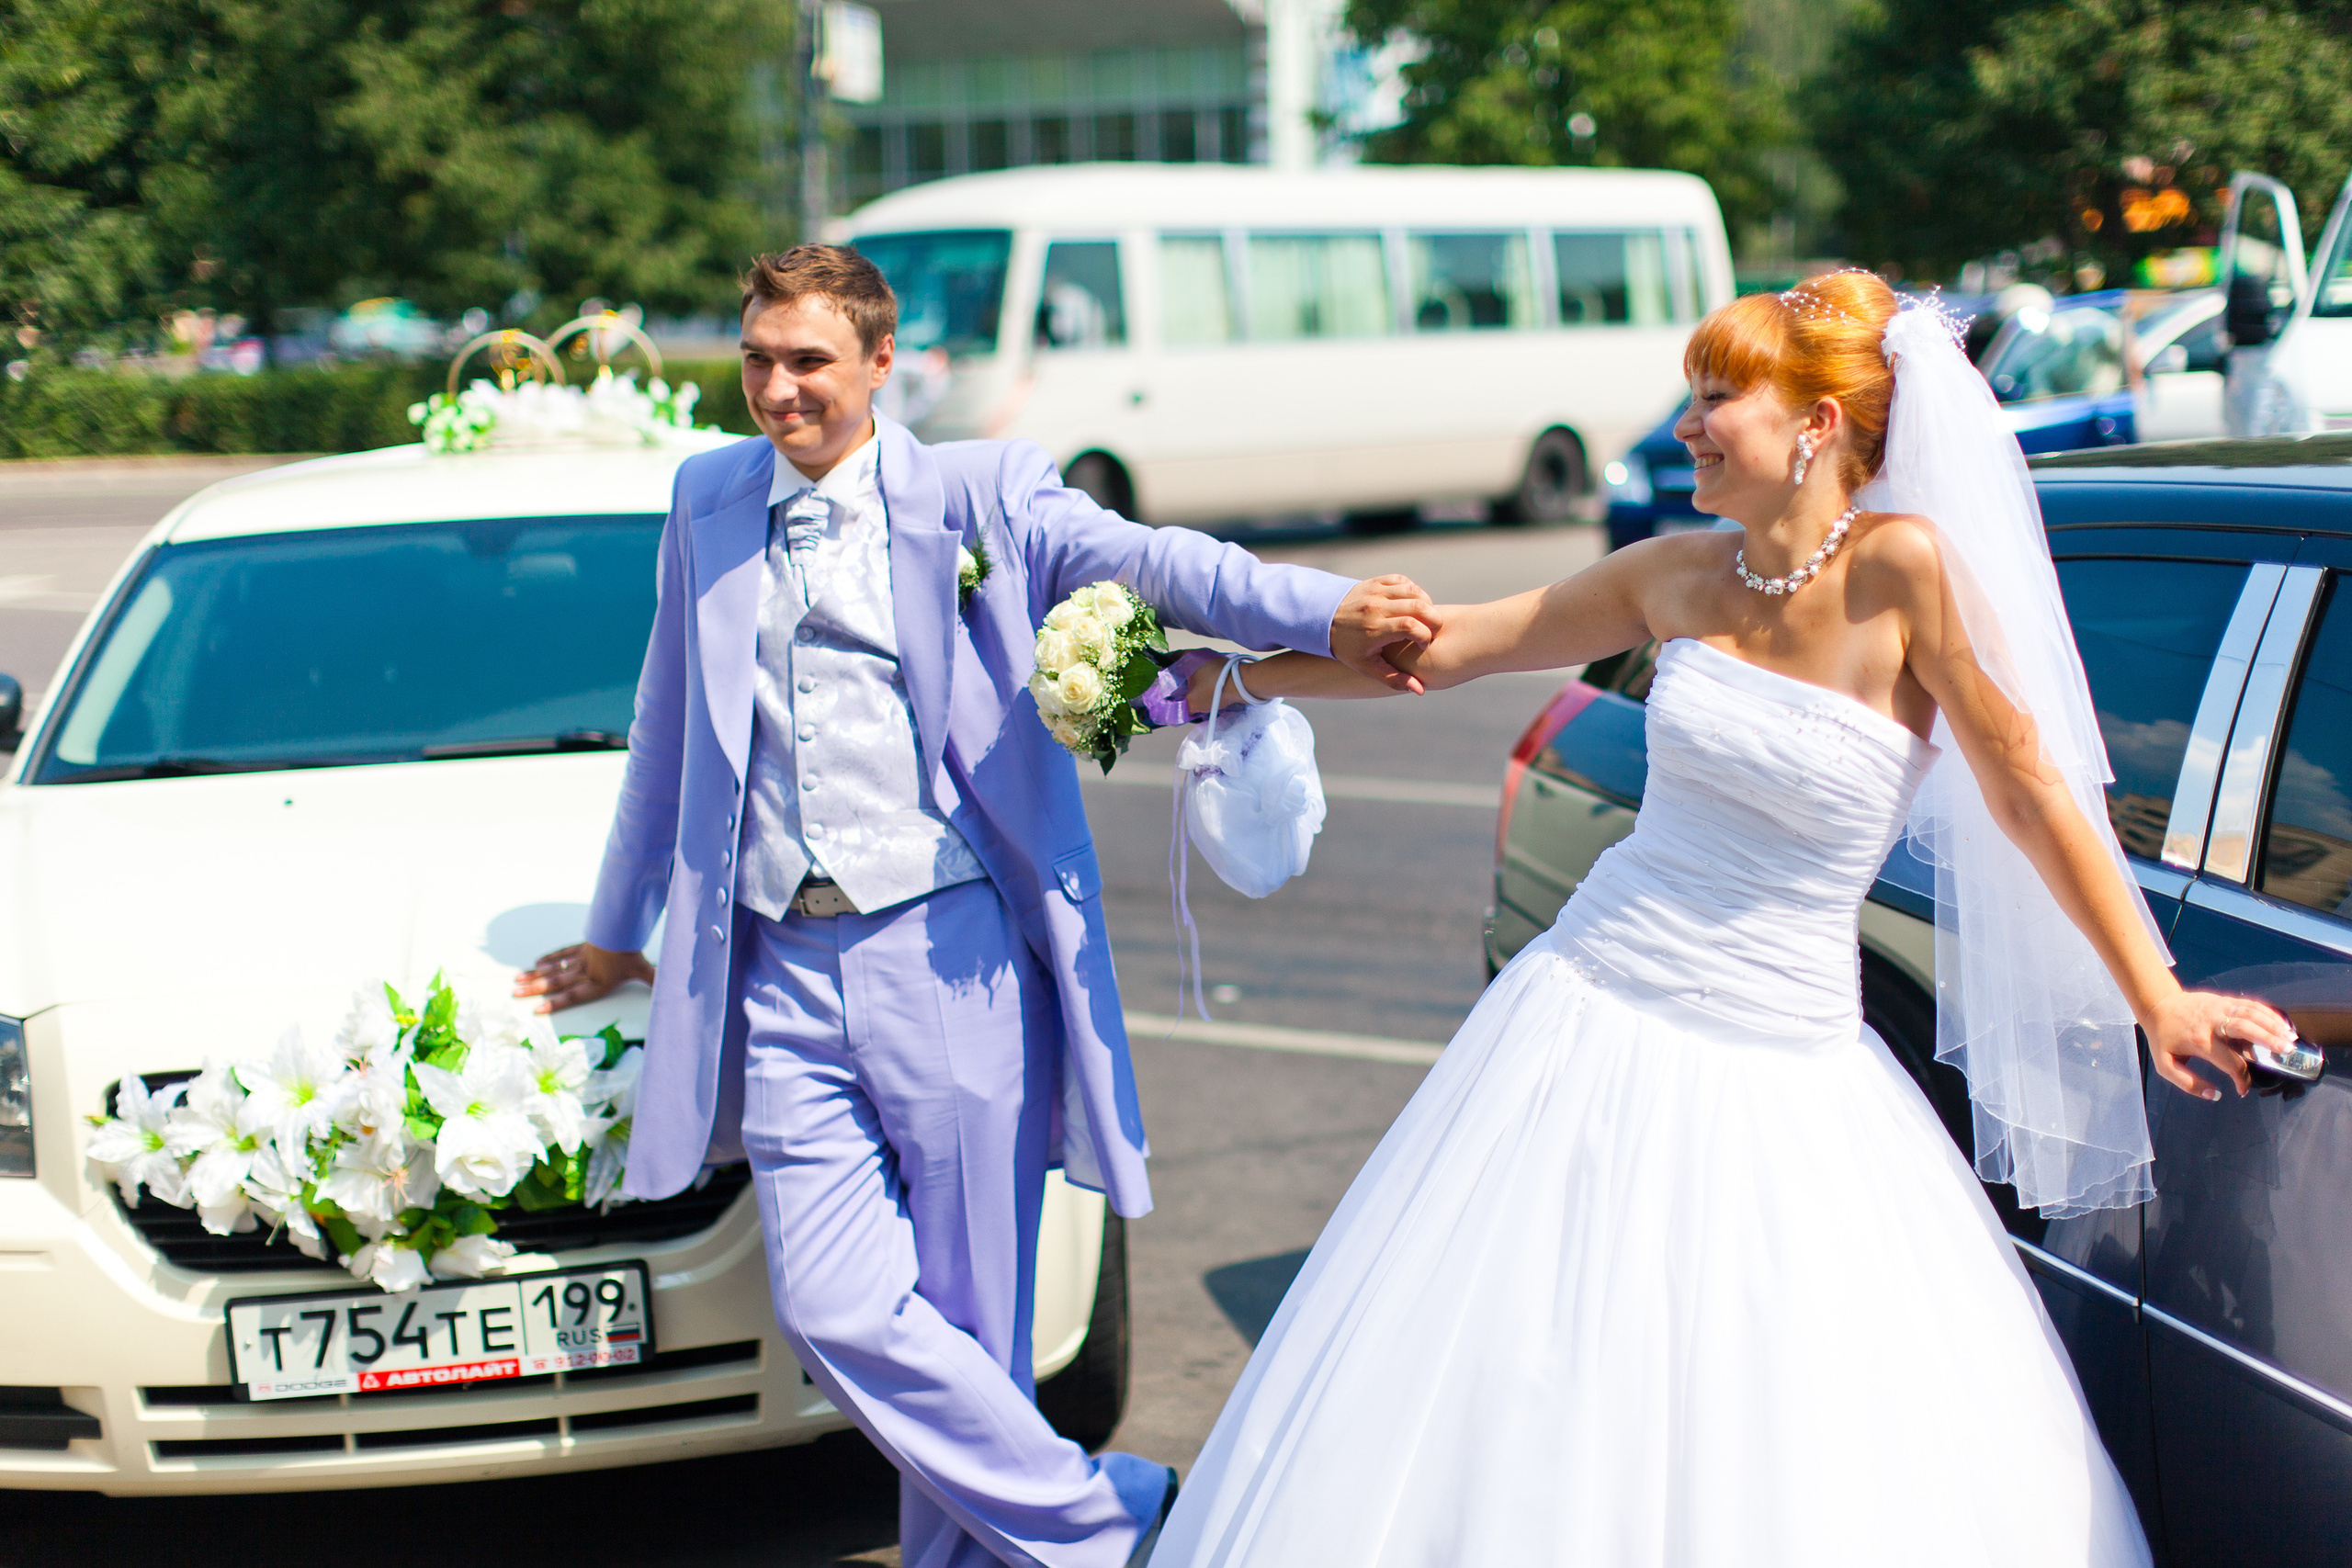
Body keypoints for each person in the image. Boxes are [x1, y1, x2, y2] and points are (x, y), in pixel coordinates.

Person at [1143, 270, 2298, 1565]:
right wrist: (1209, 677)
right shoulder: (1675, 573)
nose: (1686, 427)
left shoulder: (1902, 571)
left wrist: (2157, 993)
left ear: (1814, 422)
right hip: (1590, 1009)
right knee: (1532, 1375)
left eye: (1716, 399)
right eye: (1689, 399)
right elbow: (1451, 644)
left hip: (1789, 1057)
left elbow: (2030, 793)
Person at [513, 244, 1436, 1568]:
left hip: (949, 959)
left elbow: (1157, 562)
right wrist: (618, 930)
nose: (778, 389)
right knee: (833, 1304)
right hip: (779, 964)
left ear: (881, 365)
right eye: (759, 357)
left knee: (971, 1322)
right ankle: (1111, 1522)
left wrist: (1328, 608)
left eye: (809, 362)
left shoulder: (985, 494)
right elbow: (668, 724)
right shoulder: (707, 497)